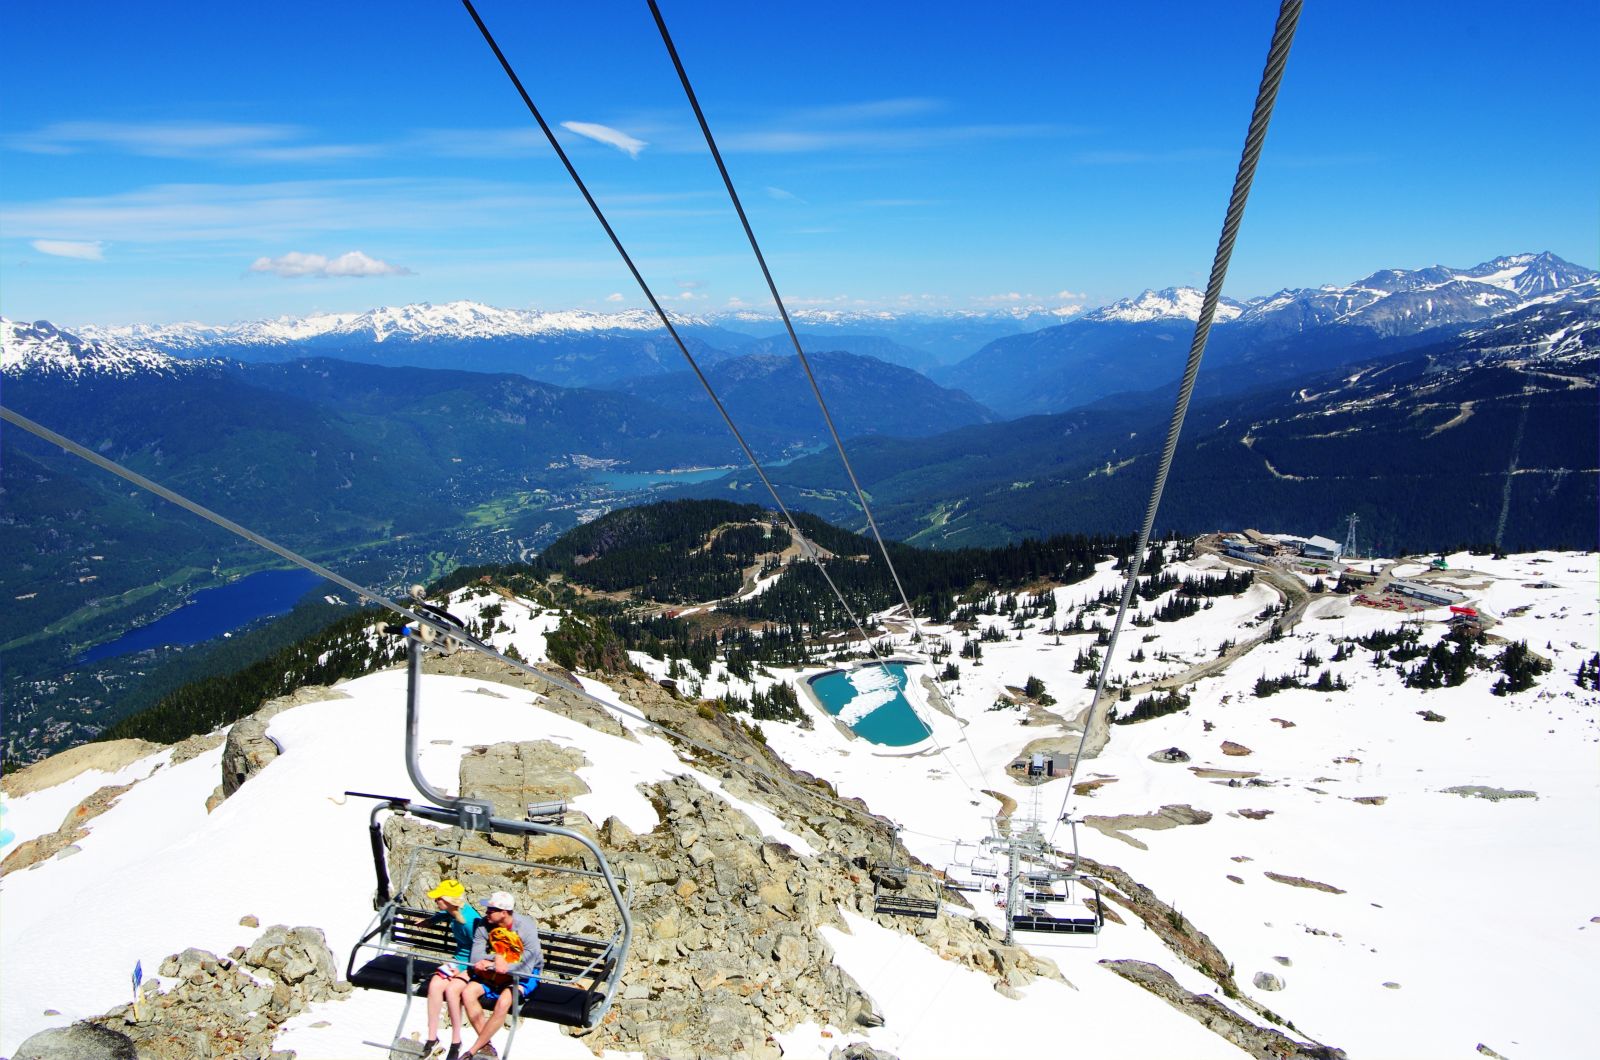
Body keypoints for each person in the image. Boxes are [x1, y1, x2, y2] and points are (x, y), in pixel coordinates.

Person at [459, 890, 543, 1060]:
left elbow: (526, 967)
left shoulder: (525, 928)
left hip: (524, 975)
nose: (486, 913)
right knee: (467, 993)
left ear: (504, 913)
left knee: (504, 1002)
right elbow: (475, 957)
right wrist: (497, 958)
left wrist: (500, 964)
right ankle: (487, 1046)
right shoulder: (484, 925)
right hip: (493, 972)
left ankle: (473, 1050)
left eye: (491, 910)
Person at [421, 879, 481, 1060]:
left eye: (439, 898)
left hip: (472, 963)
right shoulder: (454, 912)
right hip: (458, 960)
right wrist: (431, 920)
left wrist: (464, 969)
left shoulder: (471, 921)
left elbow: (481, 949)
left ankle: (456, 1040)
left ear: (449, 900)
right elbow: (446, 915)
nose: (435, 901)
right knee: (434, 985)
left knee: (452, 990)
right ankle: (432, 1037)